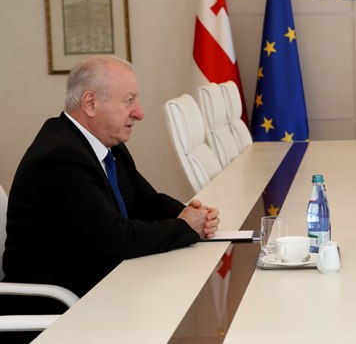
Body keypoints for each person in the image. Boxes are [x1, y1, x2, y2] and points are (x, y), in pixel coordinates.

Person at [3, 56, 220, 300]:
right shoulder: (61, 157)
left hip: (100, 286)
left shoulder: (106, 144)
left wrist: (189, 213)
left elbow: (145, 200)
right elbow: (118, 242)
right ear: (90, 103)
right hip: (58, 303)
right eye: (129, 101)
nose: (139, 113)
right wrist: (185, 227)